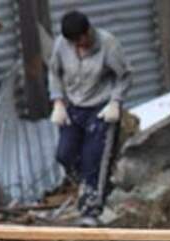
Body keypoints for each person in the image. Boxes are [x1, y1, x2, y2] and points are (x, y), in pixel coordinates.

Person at [48, 10, 132, 226]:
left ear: (88, 32)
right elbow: (54, 73)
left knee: (93, 160)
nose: (79, 45)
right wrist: (58, 101)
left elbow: (124, 76)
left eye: (81, 40)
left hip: (101, 109)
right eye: (73, 42)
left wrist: (116, 102)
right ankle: (89, 187)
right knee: (64, 154)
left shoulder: (108, 44)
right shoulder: (61, 45)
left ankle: (91, 211)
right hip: (74, 106)